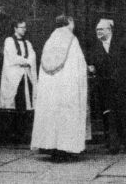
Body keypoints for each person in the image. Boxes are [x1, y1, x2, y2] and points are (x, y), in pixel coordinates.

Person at [31, 15, 90, 156]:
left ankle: (49, 146)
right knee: (66, 114)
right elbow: (79, 64)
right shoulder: (71, 40)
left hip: (50, 87)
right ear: (69, 23)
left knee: (51, 114)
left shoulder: (49, 41)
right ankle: (65, 148)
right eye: (73, 22)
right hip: (66, 86)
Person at [88, 18, 126, 154]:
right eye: (97, 30)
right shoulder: (95, 46)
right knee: (109, 116)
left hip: (122, 85)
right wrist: (92, 67)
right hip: (105, 87)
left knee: (124, 114)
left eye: (101, 29)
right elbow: (92, 62)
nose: (98, 32)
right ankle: (113, 144)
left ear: (109, 30)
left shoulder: (121, 44)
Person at [0, 19, 37, 143]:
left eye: (25, 27)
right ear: (15, 28)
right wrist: (26, 61)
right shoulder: (9, 41)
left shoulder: (27, 43)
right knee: (16, 102)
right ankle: (13, 135)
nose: (24, 29)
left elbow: (32, 56)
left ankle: (23, 133)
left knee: (26, 104)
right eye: (21, 27)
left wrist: (27, 61)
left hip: (26, 75)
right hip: (15, 76)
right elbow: (13, 57)